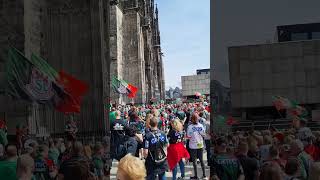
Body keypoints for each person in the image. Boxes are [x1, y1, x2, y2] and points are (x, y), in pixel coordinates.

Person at [187, 113, 206, 179]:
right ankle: (204, 175)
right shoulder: (201, 125)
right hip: (200, 144)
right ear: (198, 119)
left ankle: (196, 176)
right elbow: (204, 134)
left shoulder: (190, 127)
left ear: (191, 119)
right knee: (201, 160)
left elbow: (188, 137)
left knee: (194, 161)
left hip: (193, 145)